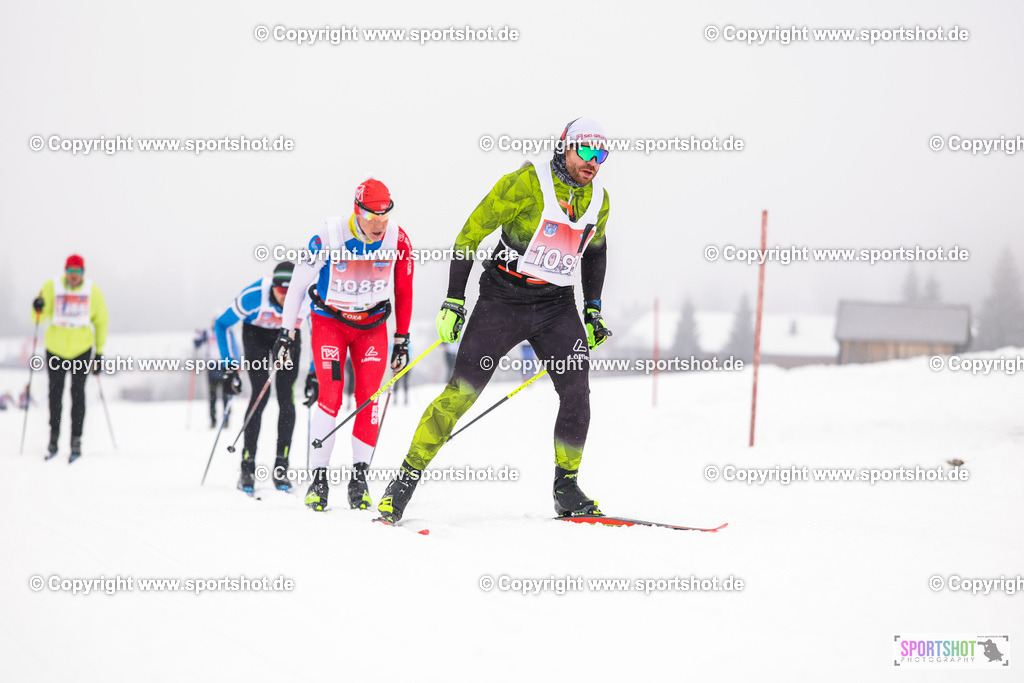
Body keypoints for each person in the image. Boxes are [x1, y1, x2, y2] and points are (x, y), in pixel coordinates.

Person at [378, 117, 613, 524]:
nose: (594, 161)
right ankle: (405, 479)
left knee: (577, 394)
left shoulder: (599, 200)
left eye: (602, 154)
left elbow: (595, 251)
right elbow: (470, 235)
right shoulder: (525, 183)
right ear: (564, 146)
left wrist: (592, 307)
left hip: (557, 306)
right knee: (461, 393)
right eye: (586, 150)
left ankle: (566, 487)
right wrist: (454, 299)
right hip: (503, 301)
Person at [277, 178, 414, 511]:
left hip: (372, 327)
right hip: (330, 324)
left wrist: (402, 338)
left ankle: (359, 478)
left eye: (385, 215)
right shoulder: (328, 236)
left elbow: (404, 290)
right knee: (331, 395)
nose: (379, 224)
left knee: (370, 399)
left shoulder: (398, 239)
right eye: (372, 216)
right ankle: (318, 479)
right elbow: (296, 287)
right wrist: (287, 332)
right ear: (357, 210)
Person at [214, 262, 312, 493]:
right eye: (281, 291)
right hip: (255, 335)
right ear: (274, 287)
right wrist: (229, 366)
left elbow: (318, 332)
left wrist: (314, 373)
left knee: (286, 397)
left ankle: (281, 468)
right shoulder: (254, 296)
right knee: (261, 394)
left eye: (291, 294)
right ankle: (247, 468)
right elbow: (222, 325)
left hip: (288, 335)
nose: (285, 297)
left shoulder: (306, 297)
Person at [32, 254, 109, 462]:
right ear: (66, 271)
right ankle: (53, 439)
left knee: (77, 394)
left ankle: (76, 440)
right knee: (55, 395)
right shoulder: (51, 286)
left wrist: (99, 353)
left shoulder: (92, 291)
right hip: (56, 349)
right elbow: (38, 317)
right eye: (71, 270)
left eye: (78, 271)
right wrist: (37, 305)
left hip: (82, 349)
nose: (74, 275)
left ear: (83, 272)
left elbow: (101, 321)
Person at [193, 318, 232, 428]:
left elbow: (233, 348)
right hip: (212, 367)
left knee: (226, 395)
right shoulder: (208, 333)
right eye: (214, 321)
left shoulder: (227, 332)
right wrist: (197, 336)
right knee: (212, 396)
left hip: (224, 366)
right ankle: (213, 420)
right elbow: (197, 344)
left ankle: (226, 420)